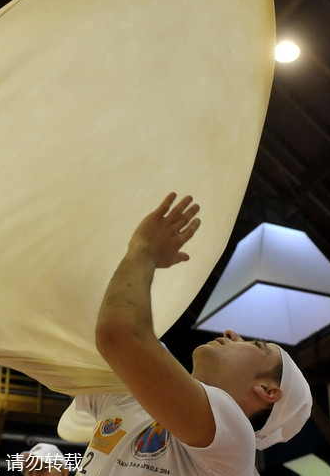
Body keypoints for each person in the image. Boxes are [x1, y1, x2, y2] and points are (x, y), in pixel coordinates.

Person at [71, 193, 312, 474]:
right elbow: (79, 333)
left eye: (256, 345)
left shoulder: (233, 441)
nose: (232, 333)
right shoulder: (132, 399)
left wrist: (145, 249)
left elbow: (118, 335)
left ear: (267, 390)